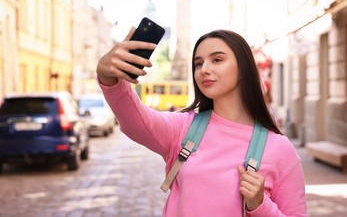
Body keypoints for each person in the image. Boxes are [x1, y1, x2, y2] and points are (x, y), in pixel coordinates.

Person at [96, 27, 307, 216]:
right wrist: (109, 78)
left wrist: (260, 206)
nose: (204, 69)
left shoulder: (280, 149)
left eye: (217, 60)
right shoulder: (183, 129)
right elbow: (135, 121)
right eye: (198, 63)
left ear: (243, 68)